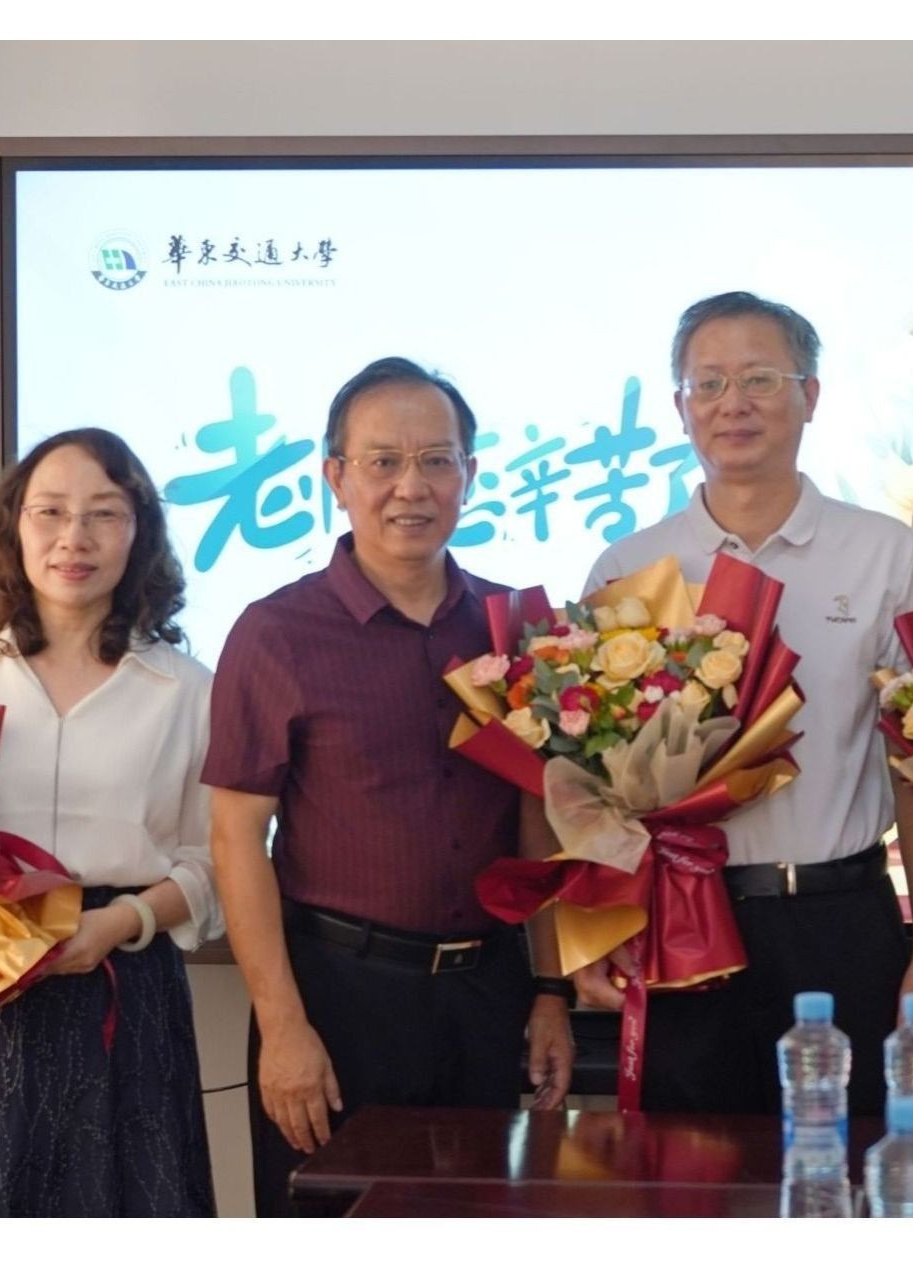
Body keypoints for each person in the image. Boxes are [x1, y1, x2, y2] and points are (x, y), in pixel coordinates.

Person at [204, 356, 574, 1217]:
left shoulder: (520, 626)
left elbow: (540, 824)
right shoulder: (275, 631)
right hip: (339, 1001)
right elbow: (235, 839)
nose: (412, 486)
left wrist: (550, 991)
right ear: (336, 476)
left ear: (469, 473)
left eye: (436, 460)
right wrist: (282, 1026)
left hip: (487, 997)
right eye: (383, 462)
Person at [574, 292, 913, 1117]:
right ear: (680, 406)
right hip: (683, 919)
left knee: (845, 1166)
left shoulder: (886, 554)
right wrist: (593, 929)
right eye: (708, 383)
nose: (732, 404)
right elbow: (587, 785)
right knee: (688, 1174)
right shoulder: (629, 567)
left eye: (759, 379)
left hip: (840, 921)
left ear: (810, 395)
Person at [0, 427, 221, 1216]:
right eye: (49, 511)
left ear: (139, 531)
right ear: (14, 527)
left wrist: (121, 922)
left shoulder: (189, 689)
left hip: (122, 978)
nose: (73, 537)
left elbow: (215, 860)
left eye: (103, 513)